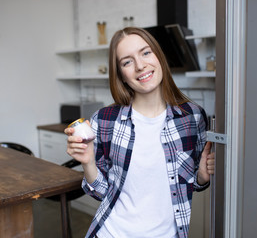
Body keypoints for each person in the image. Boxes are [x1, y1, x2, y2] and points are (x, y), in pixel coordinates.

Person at [65, 27, 215, 238]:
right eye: (127, 62)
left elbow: (195, 183)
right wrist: (88, 162)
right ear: (122, 76)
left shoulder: (193, 117)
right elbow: (100, 193)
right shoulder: (105, 120)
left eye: (145, 53)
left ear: (159, 56)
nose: (140, 65)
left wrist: (201, 176)